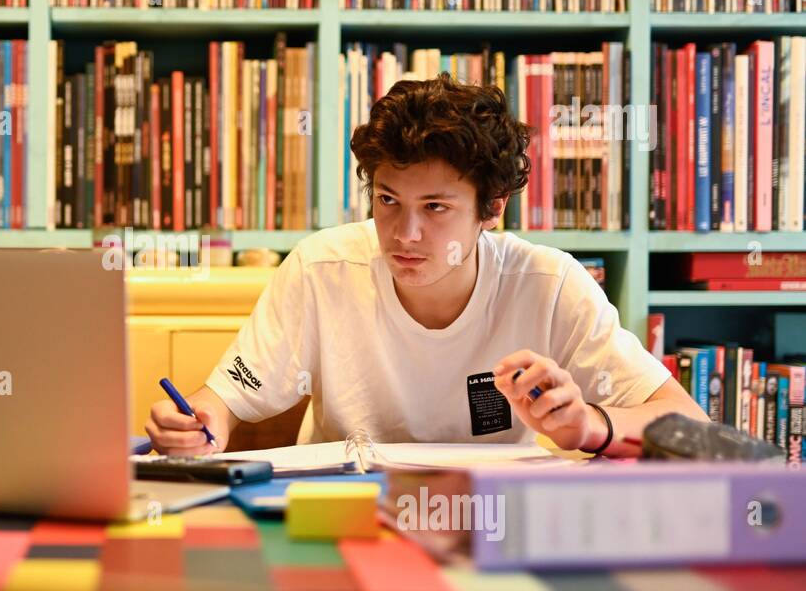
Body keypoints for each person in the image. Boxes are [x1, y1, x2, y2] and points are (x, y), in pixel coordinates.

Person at [145, 73, 707, 457]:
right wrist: (198, 424)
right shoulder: (322, 267)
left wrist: (589, 424)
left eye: (435, 208)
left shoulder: (550, 285)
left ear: (492, 208)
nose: (404, 234)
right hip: (348, 525)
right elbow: (220, 401)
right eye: (388, 200)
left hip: (488, 531)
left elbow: (688, 425)